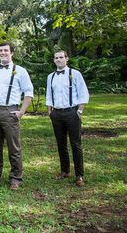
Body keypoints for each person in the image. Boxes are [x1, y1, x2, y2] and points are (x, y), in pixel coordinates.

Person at [0, 42, 34, 190]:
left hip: (11, 112)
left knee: (14, 147)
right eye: (0, 50)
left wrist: (22, 112)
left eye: (5, 50)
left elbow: (29, 92)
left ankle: (16, 178)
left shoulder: (20, 71)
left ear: (12, 53)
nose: (2, 53)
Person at [46, 50, 89, 187]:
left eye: (61, 57)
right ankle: (65, 170)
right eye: (56, 58)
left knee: (75, 144)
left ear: (66, 59)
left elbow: (83, 92)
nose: (58, 60)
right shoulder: (50, 76)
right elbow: (49, 94)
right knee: (61, 143)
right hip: (56, 114)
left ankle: (79, 175)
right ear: (54, 60)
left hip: (72, 112)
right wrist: (50, 111)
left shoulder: (75, 74)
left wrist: (79, 111)